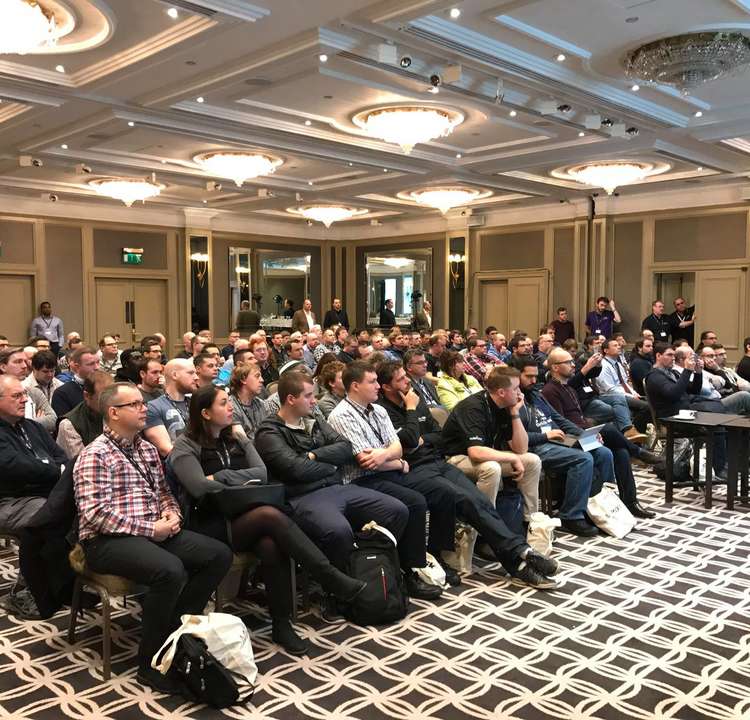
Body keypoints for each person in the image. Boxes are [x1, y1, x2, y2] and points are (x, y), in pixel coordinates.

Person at [171, 384, 365, 654]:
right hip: (208, 524)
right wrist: (236, 481)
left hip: (245, 516)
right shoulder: (185, 445)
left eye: (229, 401)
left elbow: (261, 474)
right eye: (223, 403)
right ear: (205, 413)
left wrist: (224, 474)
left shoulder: (236, 438)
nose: (230, 407)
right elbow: (199, 487)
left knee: (271, 544)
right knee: (270, 516)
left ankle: (282, 624)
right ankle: (329, 576)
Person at [74, 382, 232, 692]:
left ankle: (175, 628)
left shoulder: (146, 449)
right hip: (105, 541)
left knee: (218, 554)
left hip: (152, 529)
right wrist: (151, 529)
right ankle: (150, 664)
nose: (143, 408)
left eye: (142, 402)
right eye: (134, 404)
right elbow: (95, 515)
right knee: (169, 570)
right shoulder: (95, 454)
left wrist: (172, 514)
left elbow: (163, 493)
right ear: (113, 413)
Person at [377, 362, 560, 588]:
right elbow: (410, 440)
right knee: (463, 499)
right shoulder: (385, 410)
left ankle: (521, 558)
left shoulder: (416, 399)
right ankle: (521, 558)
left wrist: (418, 438)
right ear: (386, 387)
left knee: (479, 500)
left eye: (406, 376)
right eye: (401, 379)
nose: (408, 381)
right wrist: (412, 413)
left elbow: (437, 435)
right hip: (411, 468)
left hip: (435, 460)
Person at [327, 361, 444, 601]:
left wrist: (386, 456)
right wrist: (396, 462)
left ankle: (432, 557)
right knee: (414, 502)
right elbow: (365, 462)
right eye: (372, 382)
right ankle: (409, 571)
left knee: (438, 490)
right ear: (355, 386)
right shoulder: (341, 415)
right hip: (360, 481)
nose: (378, 386)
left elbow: (398, 447)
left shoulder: (378, 410)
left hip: (386, 473)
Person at [541, 348, 658, 519]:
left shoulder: (569, 387)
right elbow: (560, 425)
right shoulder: (550, 391)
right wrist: (586, 433)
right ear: (555, 367)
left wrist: (589, 431)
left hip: (583, 434)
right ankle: (637, 453)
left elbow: (580, 415)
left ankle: (628, 502)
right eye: (568, 362)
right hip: (570, 440)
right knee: (608, 433)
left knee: (621, 452)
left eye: (572, 361)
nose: (573, 365)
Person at [514, 358, 611, 536]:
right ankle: (571, 516)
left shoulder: (536, 394)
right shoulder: (512, 400)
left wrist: (584, 434)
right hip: (536, 446)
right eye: (528, 376)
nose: (534, 381)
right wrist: (546, 436)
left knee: (602, 452)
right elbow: (516, 439)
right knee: (583, 459)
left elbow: (559, 419)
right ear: (515, 375)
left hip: (555, 439)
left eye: (535, 376)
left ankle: (595, 507)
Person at [0, 375, 68, 618]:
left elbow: (61, 457)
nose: (24, 400)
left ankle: (63, 585)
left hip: (43, 494)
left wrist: (51, 468)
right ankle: (26, 591)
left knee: (71, 511)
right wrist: (53, 470)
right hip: (8, 501)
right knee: (46, 517)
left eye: (24, 394)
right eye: (16, 395)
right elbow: (14, 467)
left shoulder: (32, 426)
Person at [441, 366, 542, 516]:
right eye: (515, 388)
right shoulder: (473, 407)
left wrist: (515, 413)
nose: (520, 393)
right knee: (491, 468)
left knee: (532, 460)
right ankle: (488, 522)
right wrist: (512, 458)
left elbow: (521, 448)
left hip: (486, 455)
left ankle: (531, 519)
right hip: (456, 458)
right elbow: (475, 452)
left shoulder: (505, 406)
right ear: (501, 392)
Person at [645, 343, 727, 478]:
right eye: (669, 355)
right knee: (717, 425)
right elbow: (674, 394)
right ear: (658, 356)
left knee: (720, 417)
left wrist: (698, 373)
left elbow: (694, 389)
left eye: (673, 355)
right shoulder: (655, 376)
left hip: (685, 413)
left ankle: (726, 463)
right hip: (672, 419)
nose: (673, 358)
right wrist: (687, 371)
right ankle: (719, 468)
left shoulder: (670, 373)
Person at [594, 338, 651, 435]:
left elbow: (625, 383)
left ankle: (641, 433)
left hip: (623, 393)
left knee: (651, 402)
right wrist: (630, 395)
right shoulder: (603, 365)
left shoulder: (618, 364)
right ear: (606, 350)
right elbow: (610, 389)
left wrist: (634, 393)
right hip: (609, 396)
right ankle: (635, 433)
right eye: (615, 345)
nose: (619, 347)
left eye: (618, 345)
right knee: (646, 407)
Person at [143, 358, 197, 457]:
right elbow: (165, 449)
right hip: (179, 462)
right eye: (191, 373)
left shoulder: (196, 403)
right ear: (175, 375)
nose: (196, 377)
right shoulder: (153, 407)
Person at [56, 370, 113, 458]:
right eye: (103, 398)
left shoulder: (116, 412)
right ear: (87, 396)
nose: (109, 402)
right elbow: (84, 460)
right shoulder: (69, 425)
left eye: (112, 396)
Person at [0, 348, 57, 433]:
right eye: (18, 362)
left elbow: (53, 420)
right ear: (3, 367)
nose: (24, 366)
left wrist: (30, 423)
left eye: (25, 362)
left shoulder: (33, 391)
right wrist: (34, 422)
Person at [228, 361, 269, 440]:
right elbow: (243, 442)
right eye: (257, 376)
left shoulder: (260, 403)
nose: (262, 380)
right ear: (243, 379)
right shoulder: (231, 406)